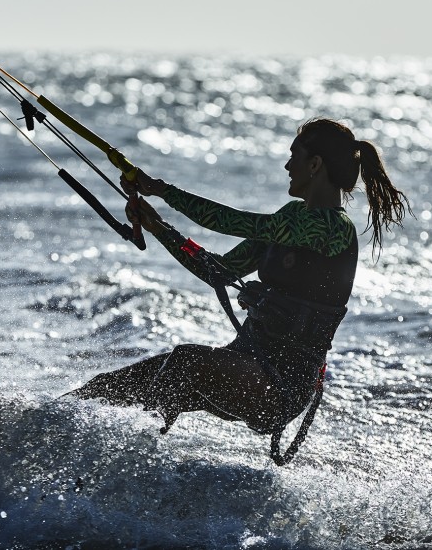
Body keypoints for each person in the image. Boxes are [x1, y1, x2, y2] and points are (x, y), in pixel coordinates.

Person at [68, 118, 410, 440]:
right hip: (245, 359)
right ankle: (51, 426)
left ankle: (125, 455)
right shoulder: (291, 218)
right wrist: (157, 226)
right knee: (112, 386)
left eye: (294, 157)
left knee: (183, 362)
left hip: (280, 385)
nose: (287, 166)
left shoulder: (331, 228)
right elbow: (216, 271)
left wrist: (160, 189)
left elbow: (230, 222)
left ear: (315, 165)